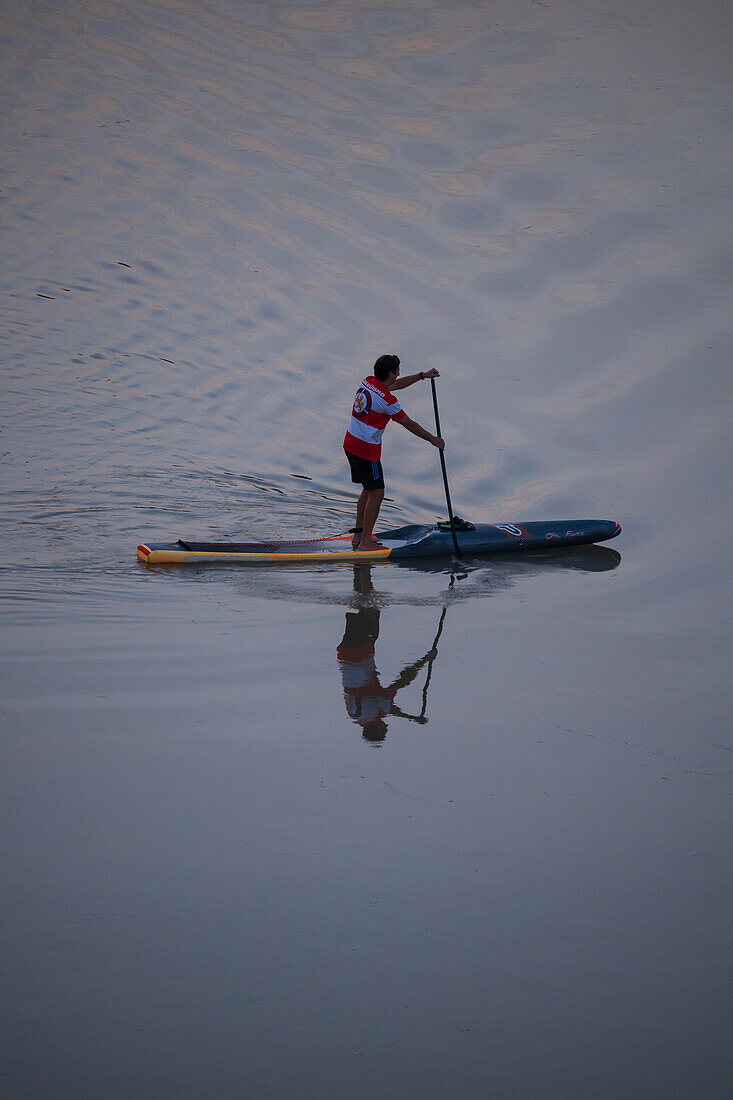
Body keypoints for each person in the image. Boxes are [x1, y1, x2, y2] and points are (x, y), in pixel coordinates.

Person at [343, 354, 444, 550]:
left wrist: (422, 376)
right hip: (366, 451)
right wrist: (433, 439)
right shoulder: (387, 401)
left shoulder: (368, 382)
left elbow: (397, 385)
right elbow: (409, 424)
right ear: (392, 372)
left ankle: (358, 537)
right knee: (377, 493)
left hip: (350, 444)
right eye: (397, 370)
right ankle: (365, 543)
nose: (399, 374)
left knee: (368, 489)